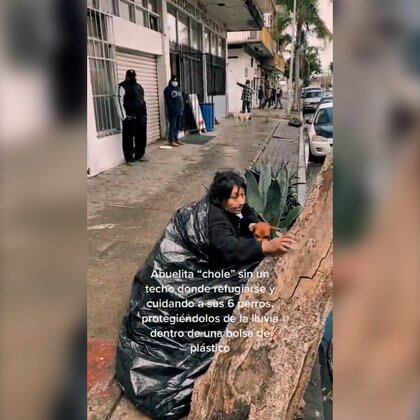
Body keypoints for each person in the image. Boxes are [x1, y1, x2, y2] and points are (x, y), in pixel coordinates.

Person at [208, 171, 296, 268]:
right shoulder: (215, 217)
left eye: (242, 195)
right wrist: (266, 246)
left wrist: (252, 225)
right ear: (220, 198)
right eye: (234, 197)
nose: (241, 201)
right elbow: (227, 246)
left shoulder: (234, 207)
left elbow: (245, 218)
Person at [117, 69, 148, 166]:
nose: (133, 78)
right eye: (131, 76)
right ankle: (129, 158)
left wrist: (146, 114)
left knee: (141, 137)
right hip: (130, 117)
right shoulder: (121, 86)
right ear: (126, 76)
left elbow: (143, 100)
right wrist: (124, 117)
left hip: (141, 116)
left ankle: (139, 155)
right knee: (128, 139)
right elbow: (118, 102)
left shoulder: (138, 86)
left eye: (134, 76)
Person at [164, 75, 185, 147]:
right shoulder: (168, 90)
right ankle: (171, 140)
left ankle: (176, 139)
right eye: (173, 81)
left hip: (179, 111)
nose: (175, 82)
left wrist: (182, 108)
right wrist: (173, 109)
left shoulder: (178, 88)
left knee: (177, 126)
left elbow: (181, 99)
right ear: (171, 81)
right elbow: (168, 101)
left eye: (176, 81)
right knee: (172, 126)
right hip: (172, 112)